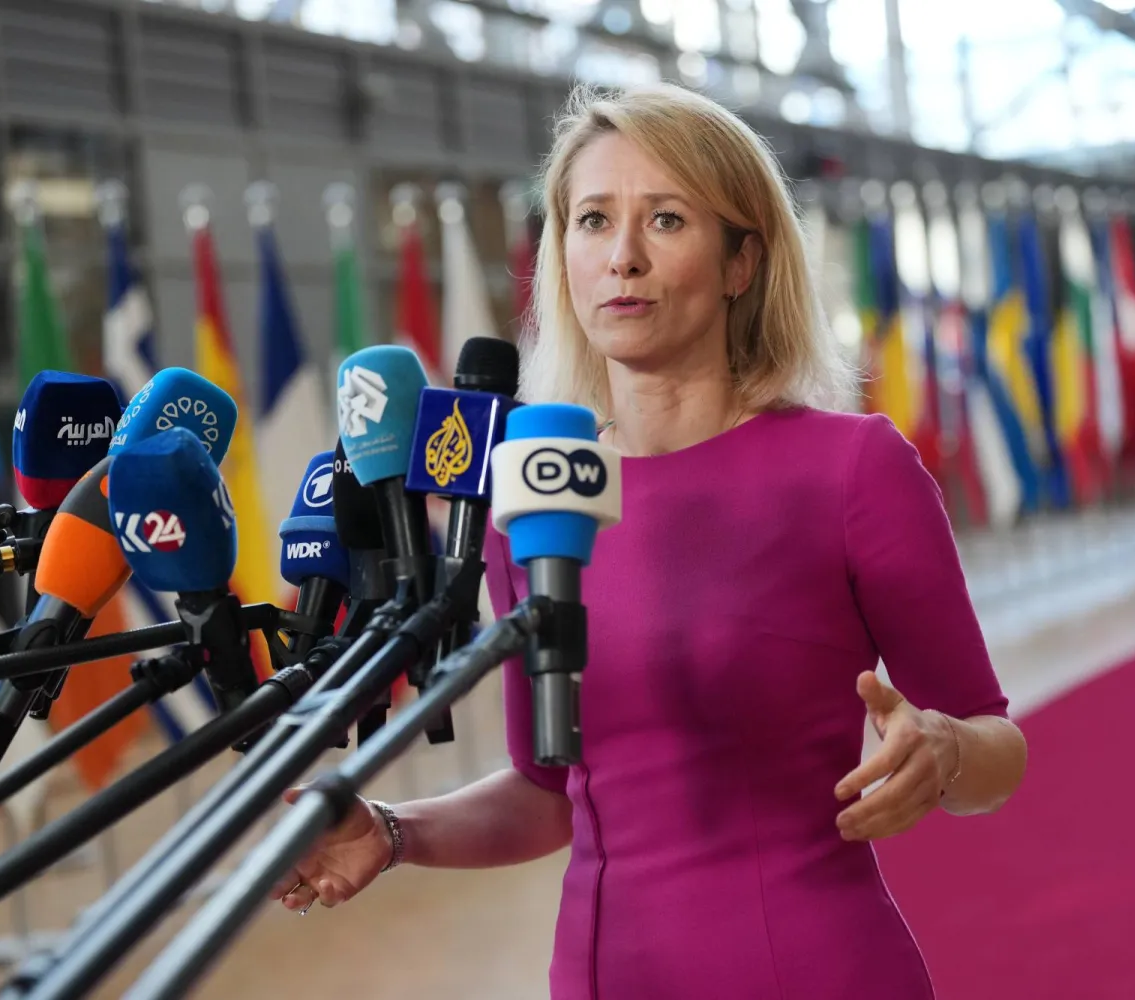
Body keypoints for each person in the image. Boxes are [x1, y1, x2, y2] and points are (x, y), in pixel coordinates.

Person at [270, 82, 1029, 999]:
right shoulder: (528, 488)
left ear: (740, 263)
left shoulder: (852, 470)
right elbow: (553, 791)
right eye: (593, 221)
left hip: (808, 970)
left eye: (666, 220)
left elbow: (998, 748)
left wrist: (943, 748)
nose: (621, 257)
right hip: (600, 975)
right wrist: (395, 832)